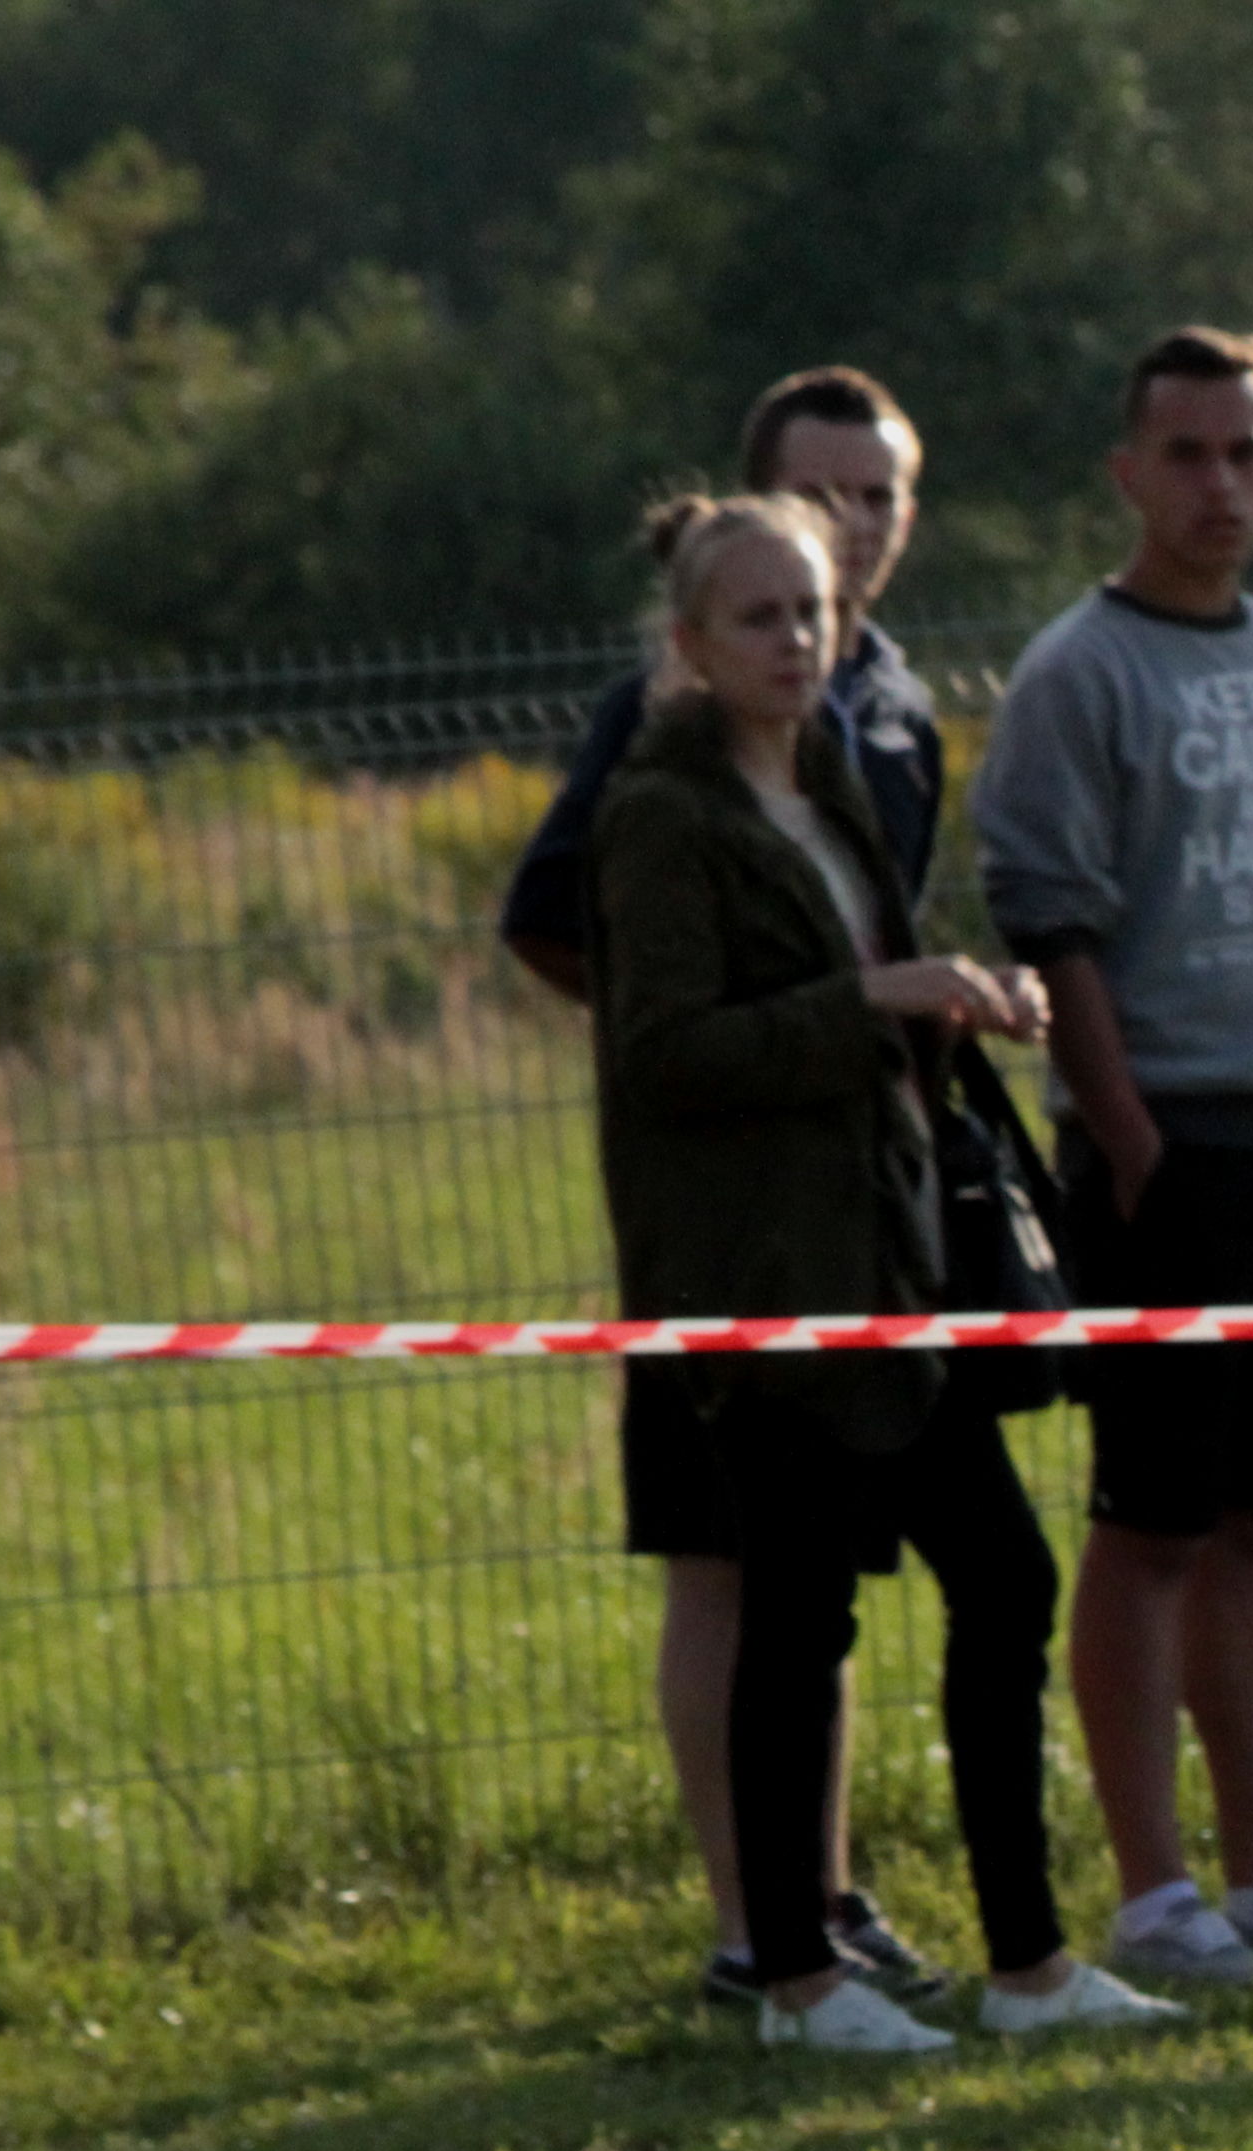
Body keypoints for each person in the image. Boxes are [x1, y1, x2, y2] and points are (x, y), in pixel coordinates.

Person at [585, 490, 1177, 2051]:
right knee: (796, 1620)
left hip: (897, 1259)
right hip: (767, 1278)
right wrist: (876, 997)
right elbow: (664, 1057)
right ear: (692, 643)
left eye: (814, 612)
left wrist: (953, 1003)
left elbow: (858, 1001)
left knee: (1002, 1575)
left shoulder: (831, 775)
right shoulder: (660, 814)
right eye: (760, 617)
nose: (796, 641)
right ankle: (794, 1980)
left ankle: (1031, 1965)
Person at [972, 328, 1253, 1994]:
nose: (1217, 483)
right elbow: (1049, 917)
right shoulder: (1075, 670)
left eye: (1246, 452)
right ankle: (1153, 1893)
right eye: (1186, 453)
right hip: (1179, 1154)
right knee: (1147, 1525)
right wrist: (1131, 1134)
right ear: (1128, 473)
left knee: (1252, 1526)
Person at [504, 371, 952, 2014]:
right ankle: (745, 1915)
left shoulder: (881, 707)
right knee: (729, 1563)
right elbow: (571, 934)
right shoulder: (669, 732)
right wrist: (743, 1068)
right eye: (817, 493)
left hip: (866, 1216)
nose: (850, 526)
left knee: (822, 1579)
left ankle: (818, 1891)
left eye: (878, 500)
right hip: (729, 1230)